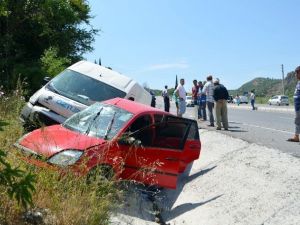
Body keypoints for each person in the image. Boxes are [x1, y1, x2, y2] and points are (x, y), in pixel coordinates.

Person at [287, 66, 300, 142]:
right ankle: (296, 136)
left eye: (297, 72)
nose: (295, 74)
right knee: (297, 121)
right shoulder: (298, 82)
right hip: (298, 106)